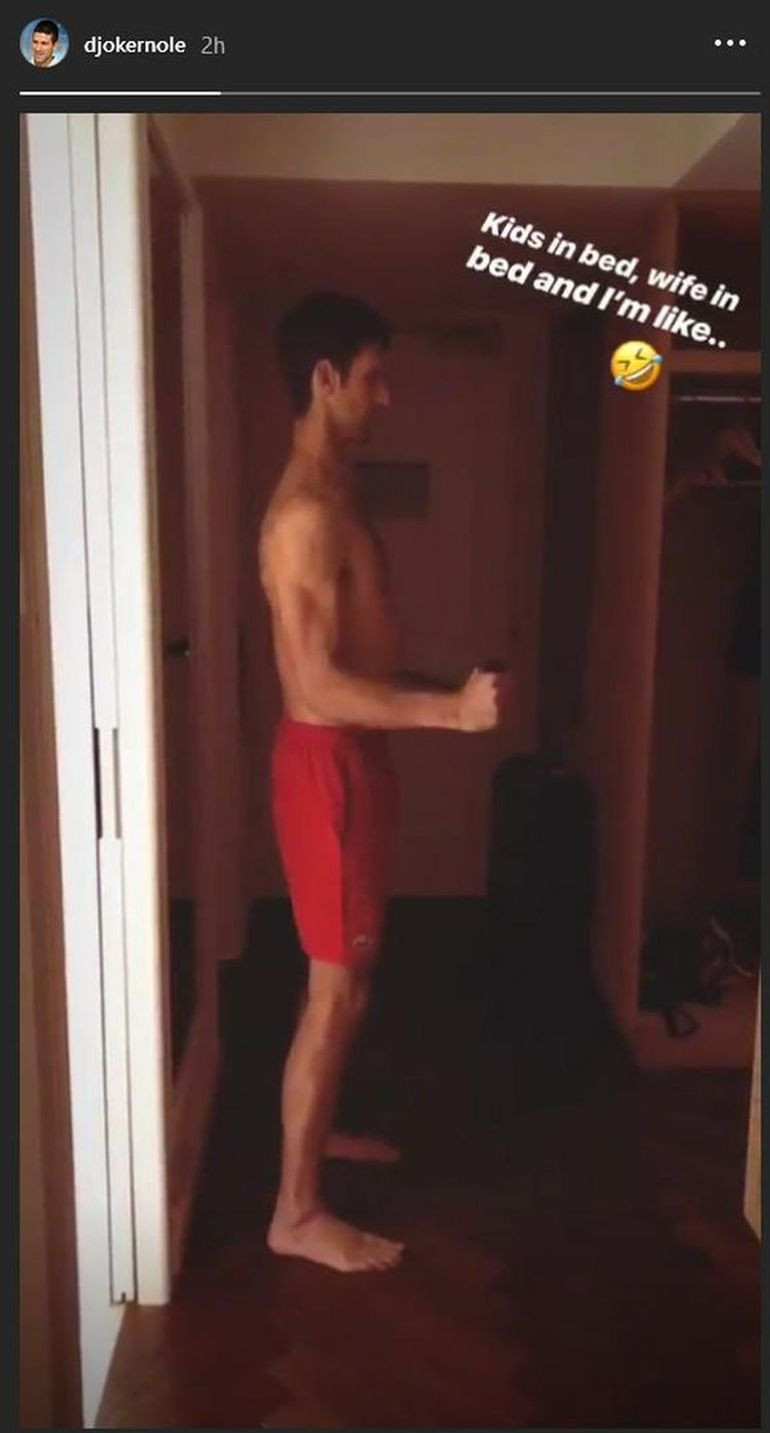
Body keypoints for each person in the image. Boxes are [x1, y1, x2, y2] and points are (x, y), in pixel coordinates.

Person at [258, 291, 509, 1272]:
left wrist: (441, 686)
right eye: (373, 376)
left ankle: (314, 1140)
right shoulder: (302, 516)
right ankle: (295, 1211)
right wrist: (452, 714)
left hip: (355, 762)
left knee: (349, 979)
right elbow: (314, 684)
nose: (386, 396)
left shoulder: (336, 495)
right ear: (326, 379)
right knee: (334, 991)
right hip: (329, 770)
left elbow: (357, 659)